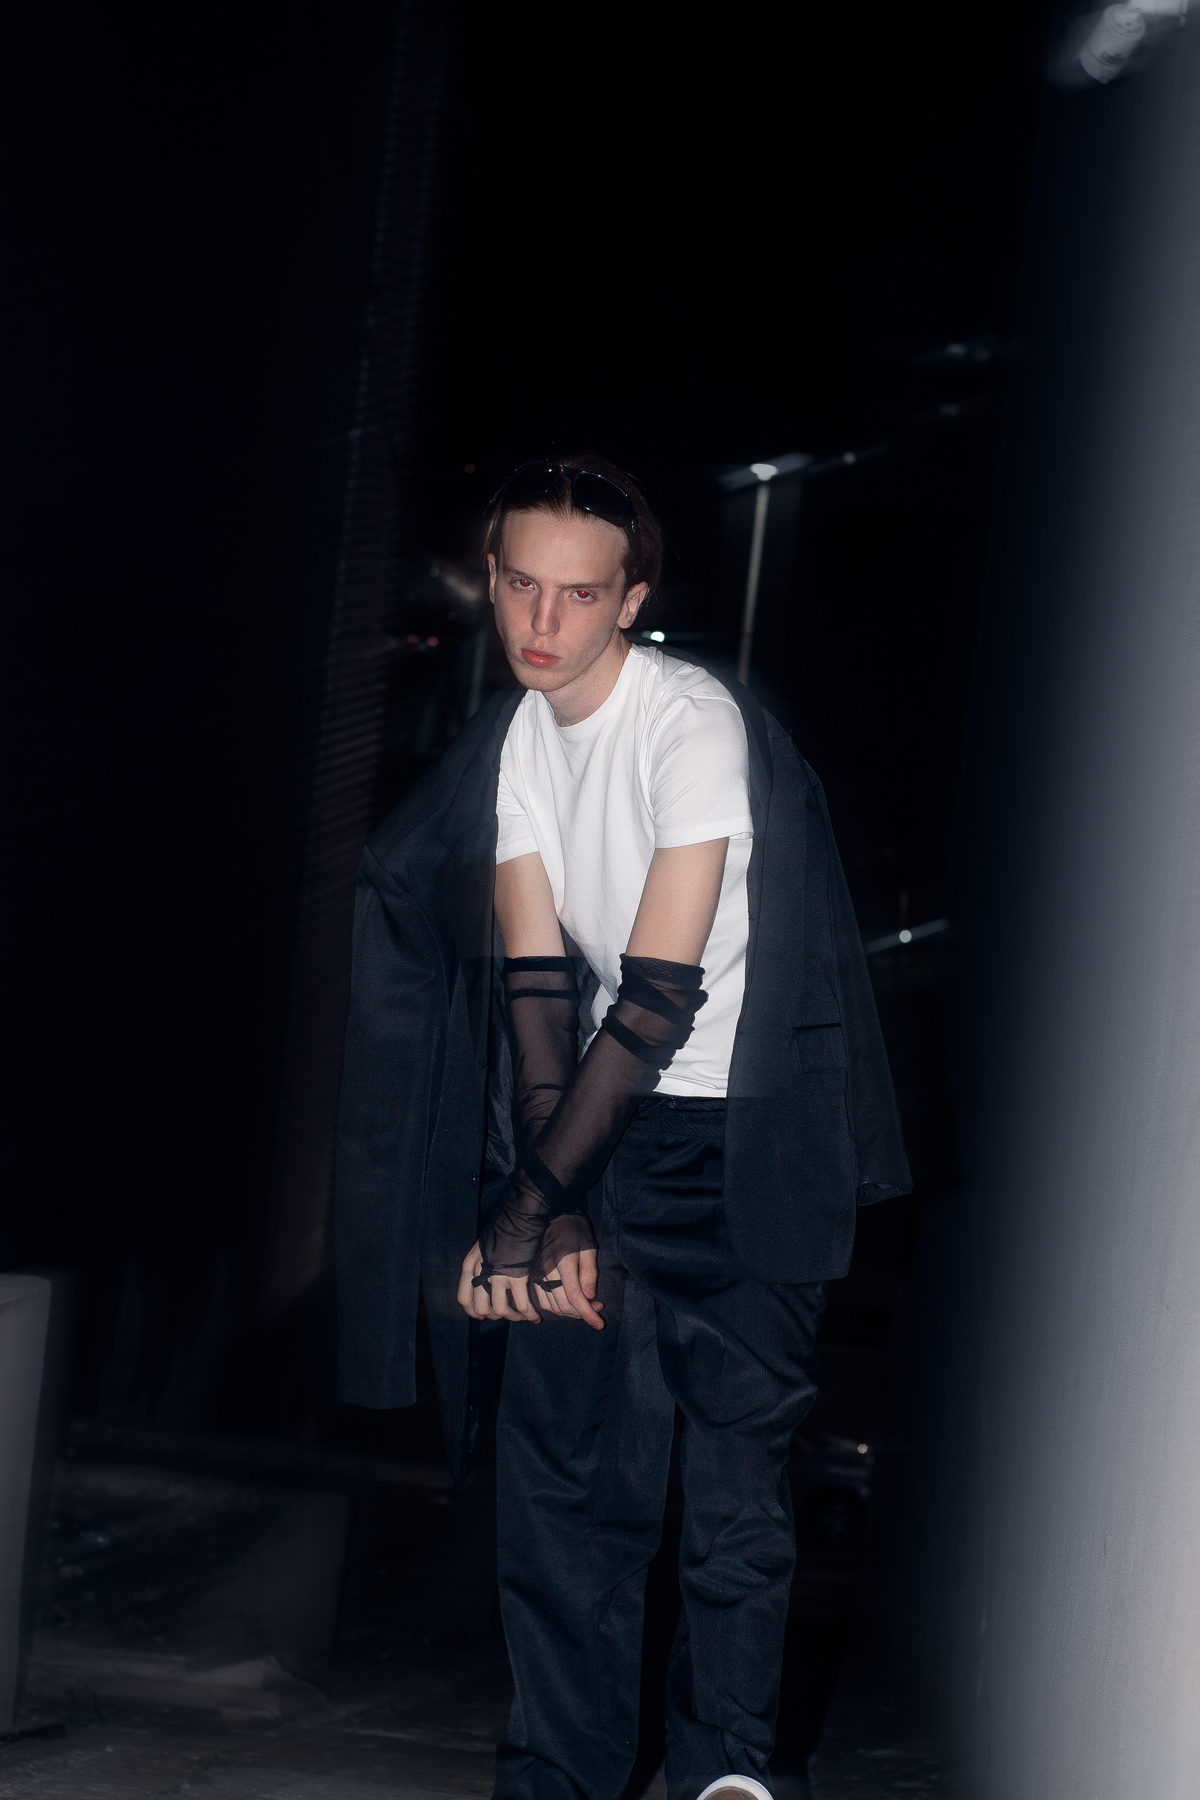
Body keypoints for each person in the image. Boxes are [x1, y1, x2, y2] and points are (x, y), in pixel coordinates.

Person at [335, 455, 910, 1800]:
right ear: (491, 582)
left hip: (745, 1144)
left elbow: (653, 999)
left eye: (580, 594)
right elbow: (540, 996)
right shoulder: (516, 746)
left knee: (732, 1499)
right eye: (520, 585)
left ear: (632, 598)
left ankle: (725, 1777)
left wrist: (520, 1213)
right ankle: (559, 1778)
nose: (543, 622)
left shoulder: (688, 723)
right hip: (600, 1140)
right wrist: (558, 1213)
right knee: (564, 1490)